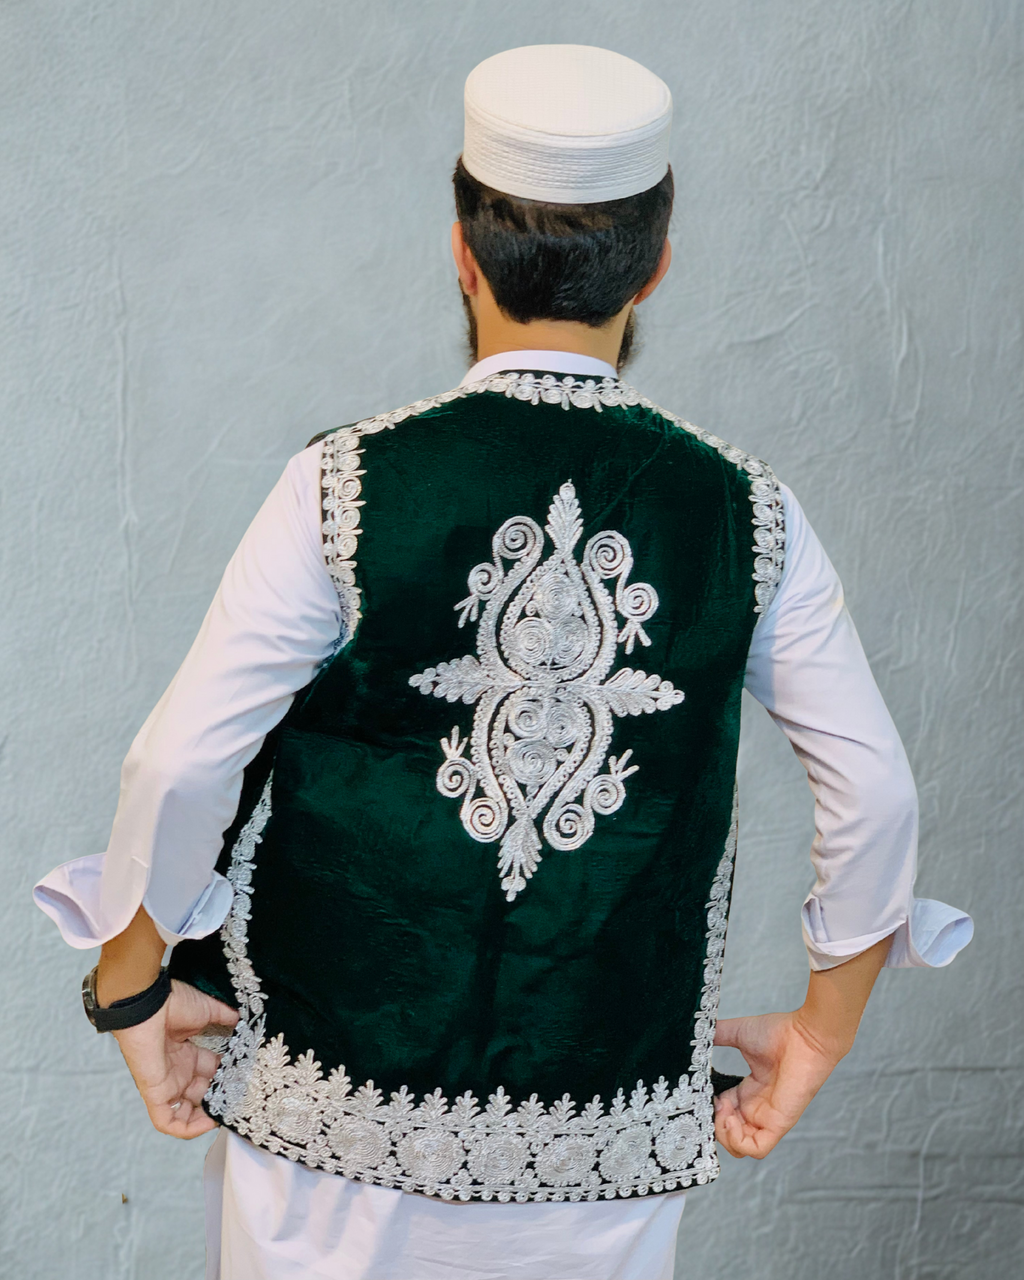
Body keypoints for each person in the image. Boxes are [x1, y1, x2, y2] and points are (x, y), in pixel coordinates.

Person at [34, 44, 972, 1280]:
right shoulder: (750, 513)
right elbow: (881, 796)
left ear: (462, 252)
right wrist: (821, 1031)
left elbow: (182, 756)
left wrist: (131, 989)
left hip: (326, 1125)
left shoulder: (341, 483)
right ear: (658, 261)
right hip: (603, 1137)